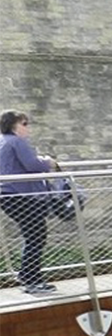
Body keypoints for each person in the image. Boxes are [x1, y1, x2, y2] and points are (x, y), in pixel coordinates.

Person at [0, 110, 57, 294]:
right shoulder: (17, 141)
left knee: (32, 234)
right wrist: (49, 162)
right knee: (36, 235)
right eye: (24, 124)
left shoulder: (3, 142)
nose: (27, 127)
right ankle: (30, 279)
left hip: (8, 196)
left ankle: (30, 276)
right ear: (13, 126)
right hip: (22, 196)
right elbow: (32, 164)